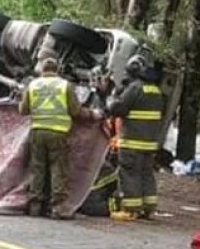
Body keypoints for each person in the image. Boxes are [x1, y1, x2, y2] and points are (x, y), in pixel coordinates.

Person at [19, 57, 103, 219]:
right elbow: (76, 111)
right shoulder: (65, 86)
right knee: (58, 169)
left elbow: (23, 110)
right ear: (58, 70)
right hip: (58, 132)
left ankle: (35, 207)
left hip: (37, 132)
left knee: (38, 169)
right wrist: (93, 114)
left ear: (42, 70)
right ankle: (57, 208)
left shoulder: (33, 85)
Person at [106, 54, 165, 220]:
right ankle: (148, 208)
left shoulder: (135, 88)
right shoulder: (156, 90)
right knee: (146, 174)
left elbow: (119, 108)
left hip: (132, 142)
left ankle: (131, 210)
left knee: (129, 173)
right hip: (149, 144)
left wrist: (111, 101)